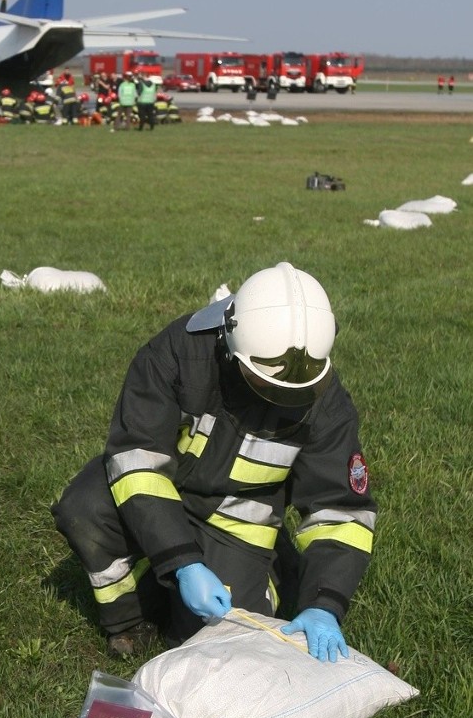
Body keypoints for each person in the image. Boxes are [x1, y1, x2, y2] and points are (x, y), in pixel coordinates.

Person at [52, 262, 376, 663]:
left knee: (217, 650)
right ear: (229, 346)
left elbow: (341, 512)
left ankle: (274, 575)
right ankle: (130, 619)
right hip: (163, 491)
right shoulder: (177, 355)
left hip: (240, 521)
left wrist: (324, 603)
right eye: (264, 383)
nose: (281, 400)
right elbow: (137, 461)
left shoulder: (326, 403)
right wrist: (184, 563)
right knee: (85, 508)